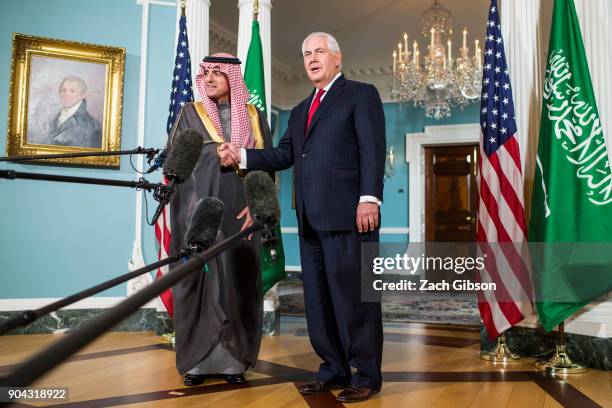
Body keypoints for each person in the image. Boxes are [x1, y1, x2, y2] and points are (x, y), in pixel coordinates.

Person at [218, 32, 386, 403]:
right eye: (306, 52)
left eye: (319, 51)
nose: (311, 58)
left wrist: (369, 198)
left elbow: (372, 150)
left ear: (337, 58)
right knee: (319, 302)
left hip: (351, 216)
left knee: (356, 301)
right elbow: (282, 156)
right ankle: (333, 369)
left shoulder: (361, 95)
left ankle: (367, 375)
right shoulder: (298, 111)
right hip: (309, 221)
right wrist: (242, 156)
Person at [168, 53, 272, 386]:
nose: (210, 78)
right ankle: (197, 361)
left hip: (241, 214)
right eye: (206, 73)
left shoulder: (254, 116)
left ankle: (233, 362)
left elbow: (265, 166)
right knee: (199, 283)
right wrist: (215, 155)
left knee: (238, 283)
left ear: (233, 78)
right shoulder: (190, 113)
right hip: (198, 212)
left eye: (218, 73)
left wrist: (256, 207)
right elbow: (177, 162)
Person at [48, 76, 102, 148]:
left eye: (72, 91)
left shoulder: (92, 126)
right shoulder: (56, 117)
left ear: (83, 95)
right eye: (63, 90)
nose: (66, 94)